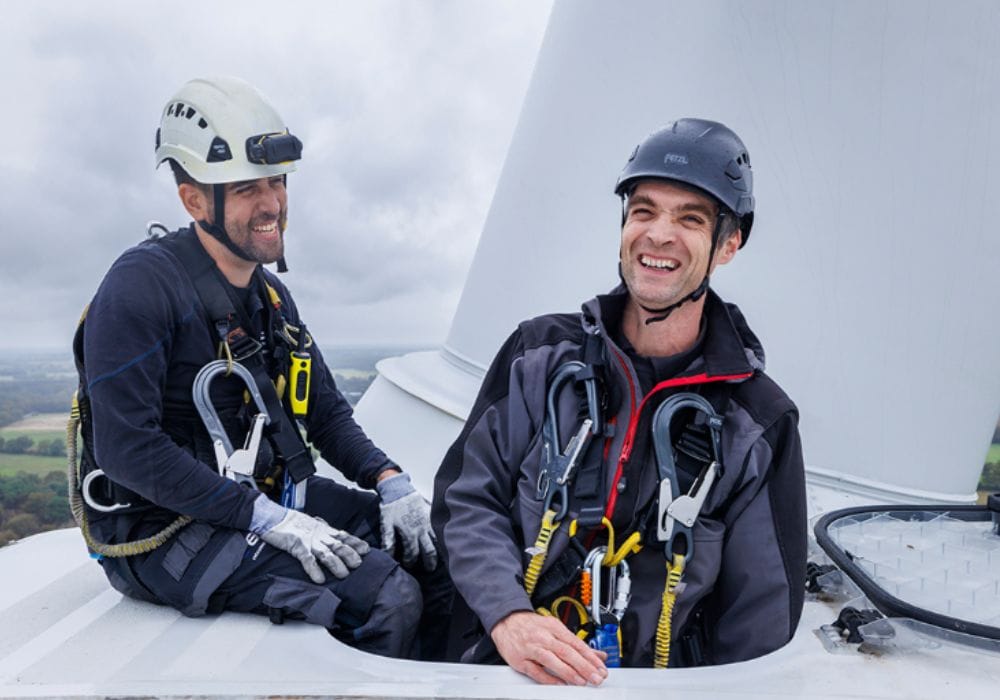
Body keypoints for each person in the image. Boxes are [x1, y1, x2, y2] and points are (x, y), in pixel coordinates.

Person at [71, 76, 451, 660]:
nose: (273, 203)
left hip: (265, 502)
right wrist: (264, 518)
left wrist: (388, 481)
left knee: (439, 553)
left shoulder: (268, 300)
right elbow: (127, 450)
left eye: (277, 182)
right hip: (162, 532)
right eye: (247, 188)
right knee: (387, 598)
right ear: (194, 200)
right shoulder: (140, 289)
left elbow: (323, 412)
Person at [432, 118, 806, 683]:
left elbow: (759, 621)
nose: (658, 235)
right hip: (505, 668)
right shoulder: (539, 357)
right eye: (644, 210)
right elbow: (466, 499)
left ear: (728, 244)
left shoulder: (757, 423)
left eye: (691, 219)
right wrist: (508, 615)